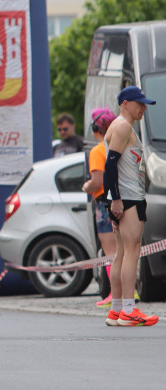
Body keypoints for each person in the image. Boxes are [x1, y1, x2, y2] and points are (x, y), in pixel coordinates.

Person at [103, 87, 159, 327]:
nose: (144, 108)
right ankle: (128, 310)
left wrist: (112, 198)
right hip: (128, 198)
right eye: (140, 104)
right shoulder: (123, 126)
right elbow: (110, 165)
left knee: (122, 253)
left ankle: (116, 310)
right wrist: (115, 198)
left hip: (122, 197)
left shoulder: (117, 126)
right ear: (125, 103)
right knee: (132, 251)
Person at [81, 107, 118, 307]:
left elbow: (96, 182)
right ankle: (131, 290)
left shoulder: (98, 151)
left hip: (104, 202)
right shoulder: (121, 146)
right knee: (125, 249)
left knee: (110, 251)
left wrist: (86, 186)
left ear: (96, 128)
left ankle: (114, 293)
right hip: (124, 198)